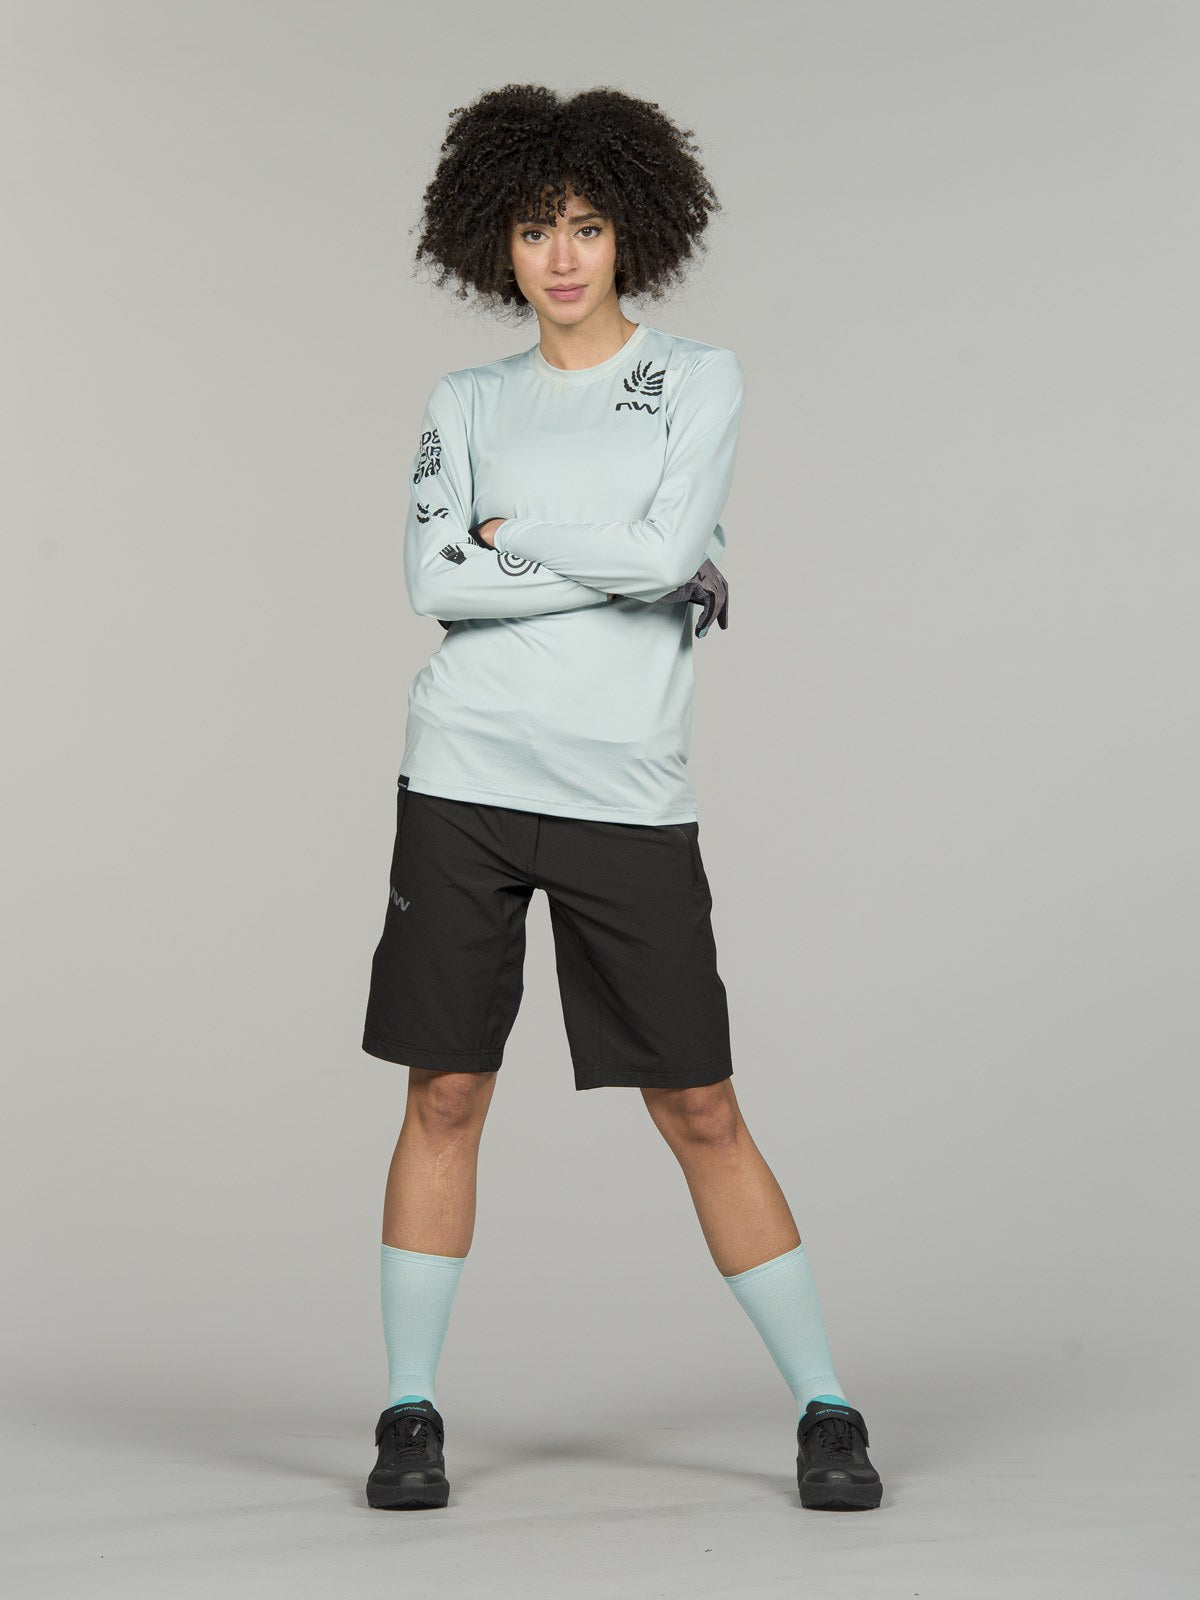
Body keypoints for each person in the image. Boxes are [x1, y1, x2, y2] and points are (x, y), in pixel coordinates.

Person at [361, 83, 882, 1513]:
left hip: (625, 793)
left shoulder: (698, 378)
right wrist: (628, 554)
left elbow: (654, 563)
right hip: (462, 777)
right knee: (446, 1089)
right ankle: (408, 1411)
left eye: (587, 226)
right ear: (496, 240)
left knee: (701, 1105)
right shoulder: (466, 401)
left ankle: (825, 1406)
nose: (563, 255)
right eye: (536, 228)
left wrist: (513, 534)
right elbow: (431, 577)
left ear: (630, 231)